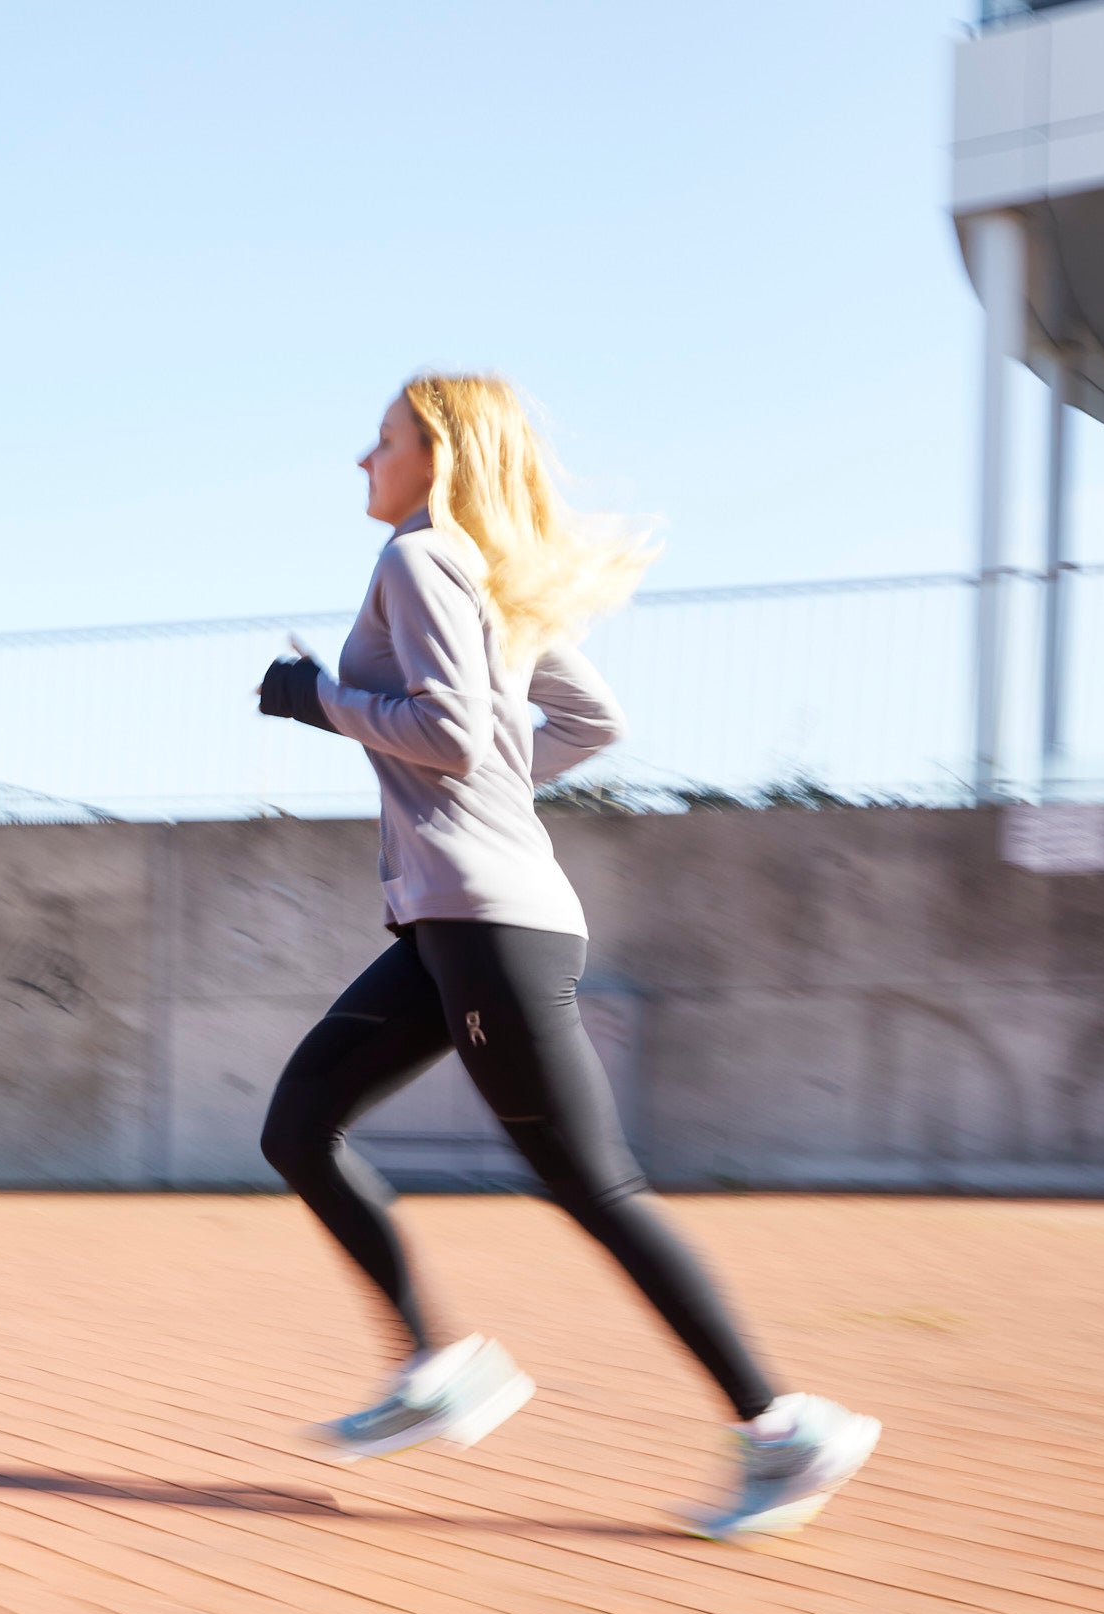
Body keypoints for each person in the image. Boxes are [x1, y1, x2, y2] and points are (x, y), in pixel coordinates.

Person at [252, 373, 878, 1540]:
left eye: (380, 440)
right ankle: (441, 1367)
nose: (361, 459)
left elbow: (446, 734)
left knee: (592, 1183)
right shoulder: (483, 577)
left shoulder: (419, 560)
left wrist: (316, 699)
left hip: (485, 925)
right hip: (453, 922)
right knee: (297, 1124)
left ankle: (783, 1425)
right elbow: (585, 724)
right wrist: (480, 791)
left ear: (436, 456)